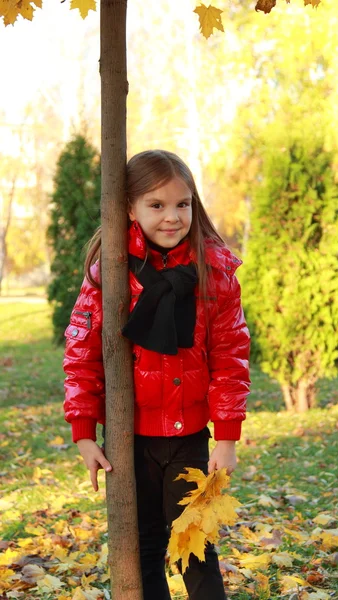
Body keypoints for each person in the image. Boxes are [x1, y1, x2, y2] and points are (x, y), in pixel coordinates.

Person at [63, 149, 251, 600]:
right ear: (128, 208)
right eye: (156, 205)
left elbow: (230, 355)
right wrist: (84, 431)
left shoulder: (215, 273)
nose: (172, 217)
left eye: (182, 204)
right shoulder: (110, 273)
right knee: (143, 549)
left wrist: (226, 438)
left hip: (190, 438)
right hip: (131, 441)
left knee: (196, 548)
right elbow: (82, 353)